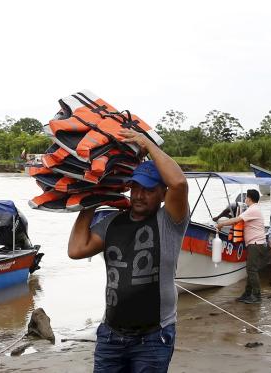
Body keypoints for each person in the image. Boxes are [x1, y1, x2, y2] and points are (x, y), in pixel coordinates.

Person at [68, 128, 189, 373]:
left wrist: (147, 144)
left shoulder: (170, 221)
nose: (139, 195)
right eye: (135, 187)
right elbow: (76, 249)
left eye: (148, 189)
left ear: (162, 193)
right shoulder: (112, 222)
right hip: (111, 335)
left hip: (153, 338)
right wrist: (91, 200)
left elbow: (178, 182)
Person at [215, 189, 267, 304]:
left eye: (246, 197)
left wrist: (221, 224)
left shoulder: (253, 210)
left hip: (255, 244)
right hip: (256, 244)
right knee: (251, 269)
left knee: (251, 269)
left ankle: (257, 296)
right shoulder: (254, 209)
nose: (245, 200)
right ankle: (247, 294)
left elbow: (236, 220)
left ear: (249, 198)